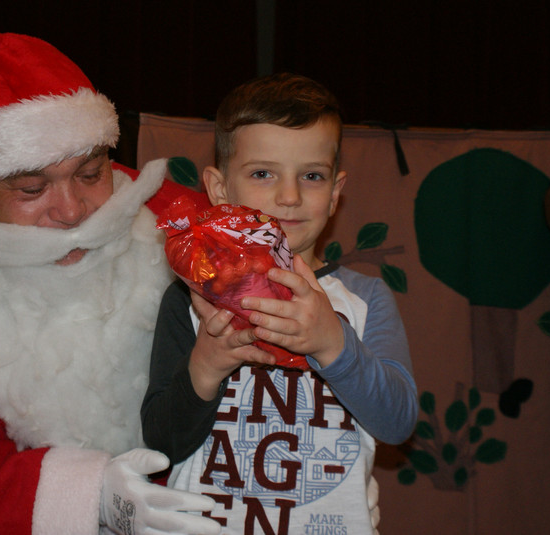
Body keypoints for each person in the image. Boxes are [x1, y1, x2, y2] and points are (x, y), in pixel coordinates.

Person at [0, 32, 221, 535]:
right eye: (31, 188)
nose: (71, 211)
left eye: (91, 174)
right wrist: (86, 496)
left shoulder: (179, 220)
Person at [141, 73, 418, 534]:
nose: (289, 197)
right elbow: (160, 445)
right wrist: (206, 366)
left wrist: (334, 343)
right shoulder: (191, 296)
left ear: (335, 192)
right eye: (262, 173)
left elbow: (397, 422)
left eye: (312, 176)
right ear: (219, 189)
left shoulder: (366, 299)